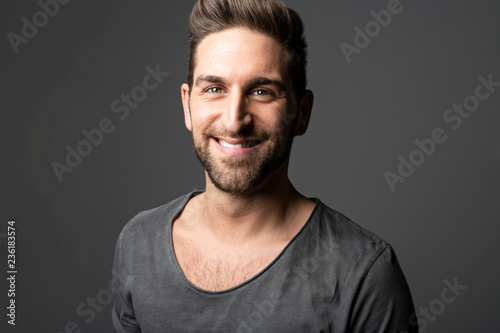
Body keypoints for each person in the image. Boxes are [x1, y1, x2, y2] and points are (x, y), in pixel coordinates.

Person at [111, 0, 418, 332]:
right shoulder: (138, 244)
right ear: (187, 105)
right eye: (214, 89)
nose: (234, 120)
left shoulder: (363, 273)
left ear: (302, 113)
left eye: (261, 92)